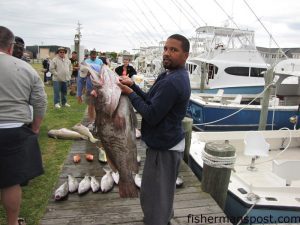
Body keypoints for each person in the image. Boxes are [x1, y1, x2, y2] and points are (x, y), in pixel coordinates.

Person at [118, 34, 191, 225]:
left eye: (173, 50)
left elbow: (150, 114)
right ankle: (162, 219)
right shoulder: (168, 74)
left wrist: (131, 94)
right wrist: (134, 86)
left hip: (165, 149)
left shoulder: (174, 81)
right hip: (162, 144)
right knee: (157, 194)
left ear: (186, 55)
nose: (167, 53)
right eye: (166, 48)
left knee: (155, 198)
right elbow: (151, 99)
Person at [0, 26, 47, 225]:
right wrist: (35, 127)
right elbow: (40, 102)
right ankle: (12, 222)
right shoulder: (25, 68)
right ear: (11, 47)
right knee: (11, 182)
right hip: (14, 129)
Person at [77, 50, 103, 129]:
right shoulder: (81, 70)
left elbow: (104, 80)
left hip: (101, 88)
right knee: (90, 105)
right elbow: (80, 82)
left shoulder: (99, 68)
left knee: (99, 106)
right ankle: (92, 122)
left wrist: (96, 89)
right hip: (89, 88)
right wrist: (79, 95)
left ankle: (100, 121)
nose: (86, 76)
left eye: (87, 74)